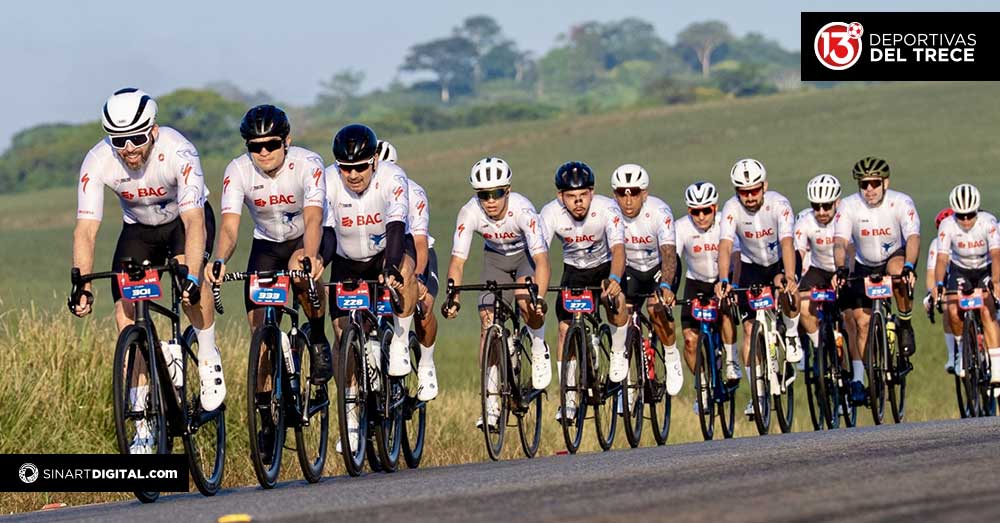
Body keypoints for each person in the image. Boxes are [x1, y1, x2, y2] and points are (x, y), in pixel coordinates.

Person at [70, 88, 224, 453]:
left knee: (190, 278)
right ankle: (141, 419)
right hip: (138, 230)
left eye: (137, 138)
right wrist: (80, 283)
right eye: (119, 140)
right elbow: (86, 229)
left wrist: (192, 272)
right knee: (126, 312)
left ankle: (206, 355)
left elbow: (194, 221)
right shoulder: (98, 160)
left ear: (153, 129)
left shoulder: (179, 150)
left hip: (184, 223)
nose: (129, 148)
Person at [205, 105, 330, 464]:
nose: (263, 153)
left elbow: (313, 217)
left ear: (286, 141)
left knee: (301, 273)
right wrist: (220, 259)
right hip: (265, 246)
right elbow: (230, 227)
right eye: (255, 146)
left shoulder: (308, 164)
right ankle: (266, 421)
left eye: (271, 144)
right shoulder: (238, 171)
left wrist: (309, 256)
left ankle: (318, 336)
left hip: (304, 238)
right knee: (260, 337)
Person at [322, 124, 419, 449]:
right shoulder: (327, 181)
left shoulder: (392, 177)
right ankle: (350, 416)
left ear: (374, 160)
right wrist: (320, 261)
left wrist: (390, 268)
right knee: (342, 333)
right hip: (347, 260)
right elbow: (326, 233)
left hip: (385, 253)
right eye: (346, 167)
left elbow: (395, 227)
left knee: (406, 269)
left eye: (361, 166)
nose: (353, 175)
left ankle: (401, 342)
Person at [441, 157, 550, 429]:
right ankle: (490, 405)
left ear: (508, 191)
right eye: (483, 195)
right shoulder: (469, 212)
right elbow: (457, 261)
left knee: (527, 303)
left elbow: (542, 262)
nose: (490, 201)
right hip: (495, 260)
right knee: (487, 320)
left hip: (524, 257)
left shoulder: (524, 210)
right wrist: (452, 295)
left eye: (497, 193)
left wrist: (540, 298)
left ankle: (538, 346)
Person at [540, 161, 628, 420]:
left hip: (604, 267)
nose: (578, 203)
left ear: (592, 192)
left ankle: (618, 354)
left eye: (583, 196)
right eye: (571, 197)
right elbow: (540, 254)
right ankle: (567, 398)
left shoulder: (607, 208)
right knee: (565, 329)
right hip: (574, 272)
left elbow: (619, 250)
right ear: (560, 197)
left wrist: (614, 278)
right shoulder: (549, 213)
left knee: (617, 302)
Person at [832, 156, 921, 405]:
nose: (869, 189)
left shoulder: (901, 202)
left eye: (874, 183)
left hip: (893, 255)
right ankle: (869, 376)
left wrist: (910, 266)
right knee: (861, 323)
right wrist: (840, 268)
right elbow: (839, 241)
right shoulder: (849, 206)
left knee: (898, 271)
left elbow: (913, 237)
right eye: (864, 184)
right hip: (863, 263)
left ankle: (904, 324)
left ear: (885, 182)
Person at [715, 158, 800, 416]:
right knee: (750, 330)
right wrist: (723, 279)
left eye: (754, 190)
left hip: (779, 262)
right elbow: (726, 246)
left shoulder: (779, 204)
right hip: (752, 267)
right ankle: (758, 394)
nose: (750, 197)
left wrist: (790, 275)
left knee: (786, 289)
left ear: (764, 186)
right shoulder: (731, 209)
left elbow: (787, 242)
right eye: (743, 192)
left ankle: (793, 334)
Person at [609, 163, 683, 395]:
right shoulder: (610, 214)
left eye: (634, 194)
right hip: (630, 270)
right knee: (619, 307)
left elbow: (669, 253)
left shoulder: (660, 212)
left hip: (659, 269)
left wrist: (665, 286)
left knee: (655, 307)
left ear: (645, 194)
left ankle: (671, 356)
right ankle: (624, 373)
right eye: (622, 194)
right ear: (615, 195)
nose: (628, 201)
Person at [376, 140, 439, 401]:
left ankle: (426, 364)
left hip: (416, 253)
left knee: (422, 309)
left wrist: (420, 277)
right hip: (379, 254)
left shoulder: (413, 193)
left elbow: (421, 243)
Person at [675, 182, 741, 411]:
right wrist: (668, 289)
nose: (701, 216)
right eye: (695, 211)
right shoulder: (681, 227)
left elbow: (736, 257)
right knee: (691, 341)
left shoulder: (726, 222)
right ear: (689, 211)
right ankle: (702, 387)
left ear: (715, 207)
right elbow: (672, 261)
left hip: (722, 278)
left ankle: (731, 361)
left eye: (706, 210)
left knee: (724, 314)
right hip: (695, 282)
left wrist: (731, 284)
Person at [933, 184, 1000, 381]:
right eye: (960, 216)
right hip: (960, 268)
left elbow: (996, 254)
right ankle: (962, 351)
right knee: (953, 311)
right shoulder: (947, 225)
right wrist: (939, 284)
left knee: (987, 311)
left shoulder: (988, 223)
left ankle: (996, 367)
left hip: (984, 267)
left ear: (976, 211)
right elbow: (942, 258)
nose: (965, 221)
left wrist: (996, 280)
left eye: (970, 215)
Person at [794, 174, 858, 372]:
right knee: (802, 304)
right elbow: (799, 252)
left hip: (846, 269)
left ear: (837, 202)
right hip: (819, 269)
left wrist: (847, 275)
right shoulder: (805, 221)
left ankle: (856, 375)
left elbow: (853, 252)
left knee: (849, 318)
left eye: (826, 206)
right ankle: (820, 346)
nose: (821, 211)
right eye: (816, 206)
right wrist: (793, 277)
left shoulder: (848, 217)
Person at [924, 208, 956, 372]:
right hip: (947, 280)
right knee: (946, 306)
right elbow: (931, 272)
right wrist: (931, 292)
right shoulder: (936, 244)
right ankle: (952, 356)